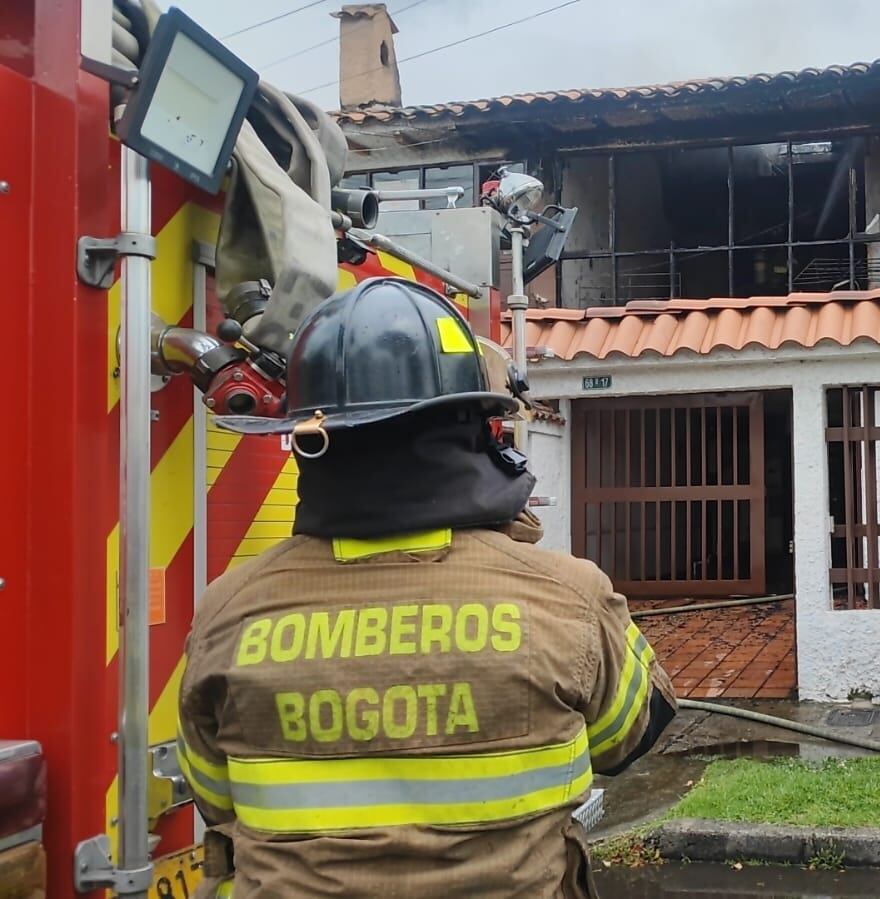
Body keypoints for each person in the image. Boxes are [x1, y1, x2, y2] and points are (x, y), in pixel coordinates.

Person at [177, 278, 674, 898]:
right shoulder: (566, 596)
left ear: (306, 438)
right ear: (475, 429)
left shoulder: (227, 610)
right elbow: (630, 735)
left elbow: (215, 796)